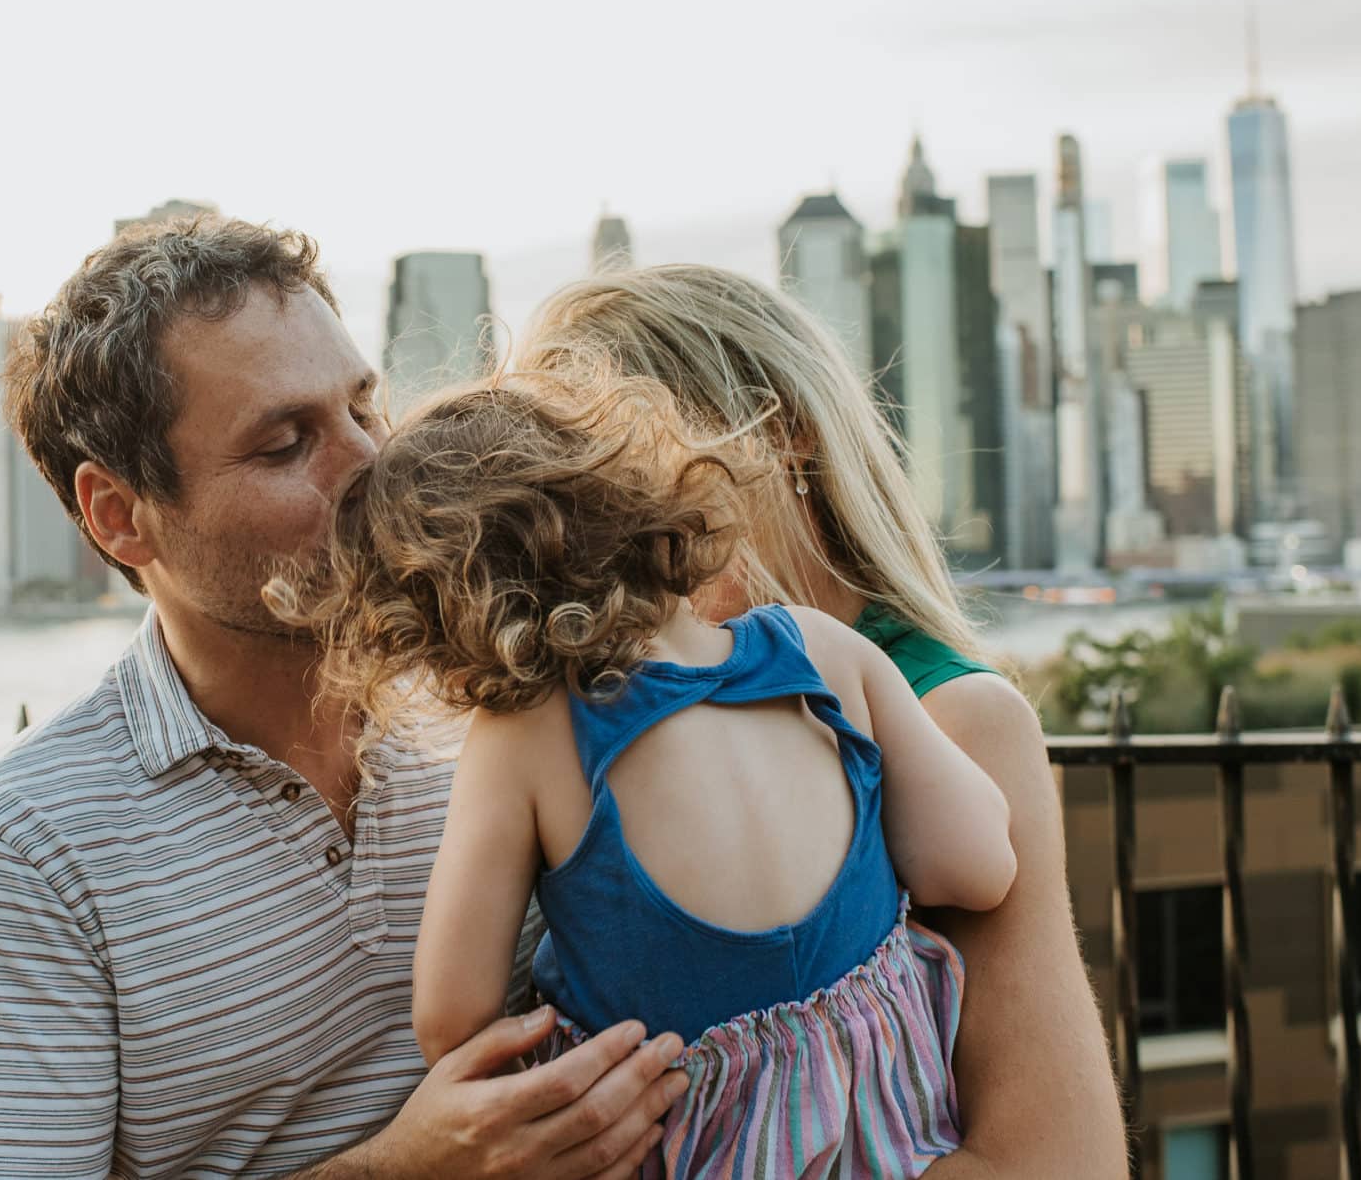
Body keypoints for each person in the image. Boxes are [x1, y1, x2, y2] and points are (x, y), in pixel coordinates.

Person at [0, 217, 686, 1179]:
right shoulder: (26, 848)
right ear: (119, 515)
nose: (370, 465)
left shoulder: (506, 688)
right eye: (285, 443)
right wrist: (405, 1169)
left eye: (362, 408)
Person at [268, 374, 1016, 1177]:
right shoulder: (820, 648)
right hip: (894, 1143)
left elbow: (452, 1015)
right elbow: (976, 867)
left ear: (435, 612)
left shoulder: (523, 733)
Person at [516, 263, 1130, 1177]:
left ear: (783, 435)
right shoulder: (579, 716)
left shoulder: (951, 717)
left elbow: (1056, 1164)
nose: (600, 542)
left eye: (626, 482)